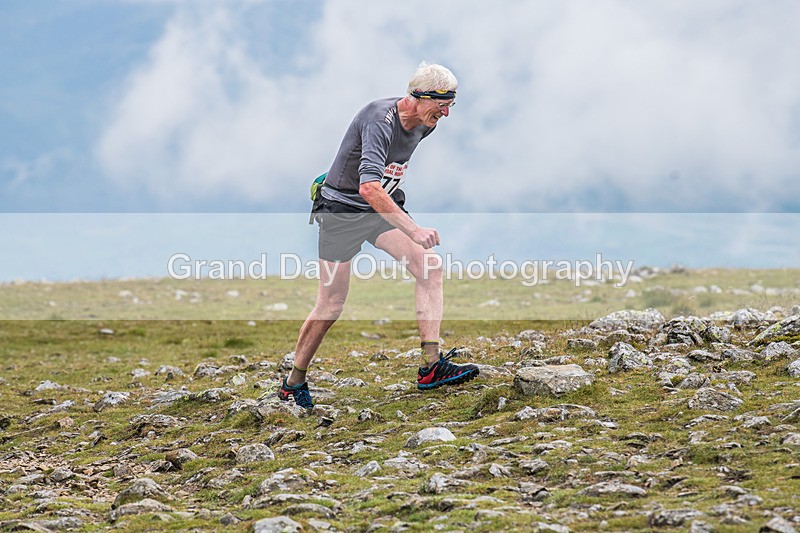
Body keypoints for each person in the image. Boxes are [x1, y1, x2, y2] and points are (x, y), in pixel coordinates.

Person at [278, 62, 479, 409]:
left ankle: (432, 367)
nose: (446, 113)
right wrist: (414, 229)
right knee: (330, 305)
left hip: (377, 212)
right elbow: (369, 186)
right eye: (441, 103)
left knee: (428, 267)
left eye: (452, 104)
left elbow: (382, 183)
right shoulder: (379, 119)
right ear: (417, 96)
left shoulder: (424, 124)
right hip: (341, 214)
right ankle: (293, 382)